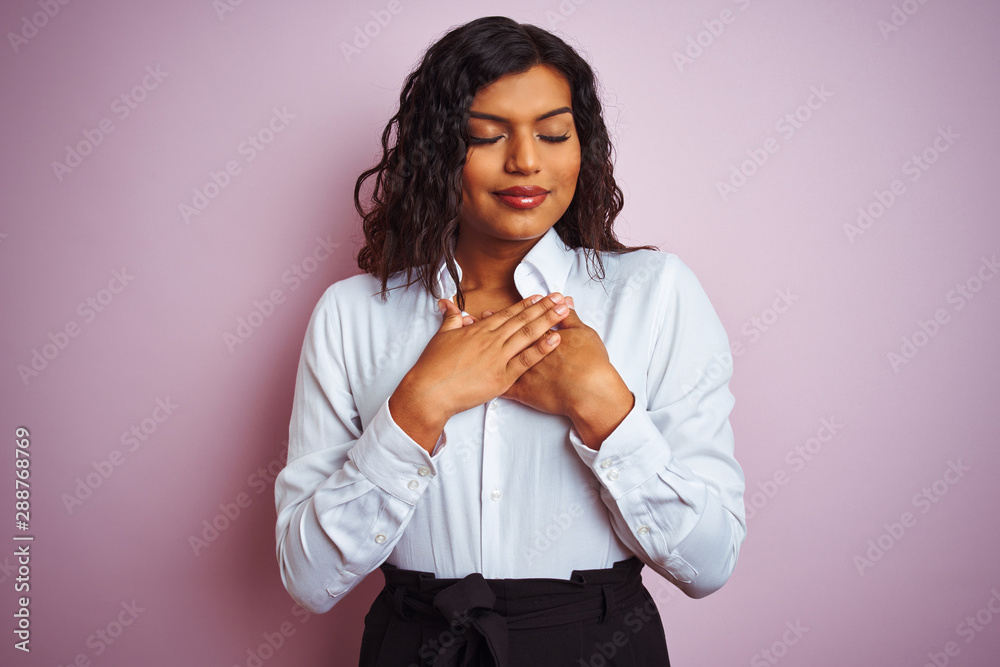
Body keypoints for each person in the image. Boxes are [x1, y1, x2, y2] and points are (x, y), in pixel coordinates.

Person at [274, 15, 746, 666]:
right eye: (485, 136)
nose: (526, 160)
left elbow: (709, 561)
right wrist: (417, 407)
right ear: (438, 150)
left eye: (553, 133)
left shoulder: (657, 294)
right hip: (415, 646)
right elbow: (307, 577)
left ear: (584, 147)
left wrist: (607, 409)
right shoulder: (351, 313)